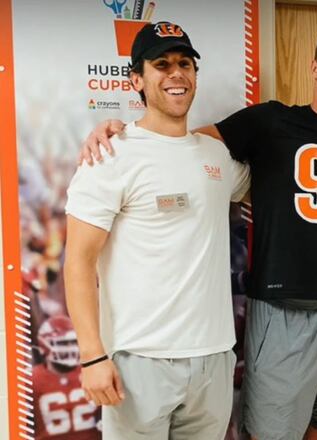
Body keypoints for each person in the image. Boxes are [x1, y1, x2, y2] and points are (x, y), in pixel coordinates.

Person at [78, 24, 317, 440]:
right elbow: (182, 145)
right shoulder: (272, 120)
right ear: (314, 67)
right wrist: (120, 132)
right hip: (274, 308)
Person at [64, 21, 250, 439]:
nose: (176, 73)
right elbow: (78, 261)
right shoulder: (111, 154)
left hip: (214, 358)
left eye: (185, 63)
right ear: (137, 80)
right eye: (161, 64)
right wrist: (93, 357)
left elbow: (264, 182)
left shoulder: (216, 156)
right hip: (139, 361)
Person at [33, 315, 101, 439]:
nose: (69, 348)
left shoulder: (90, 371)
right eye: (62, 343)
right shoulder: (32, 379)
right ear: (44, 345)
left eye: (73, 342)